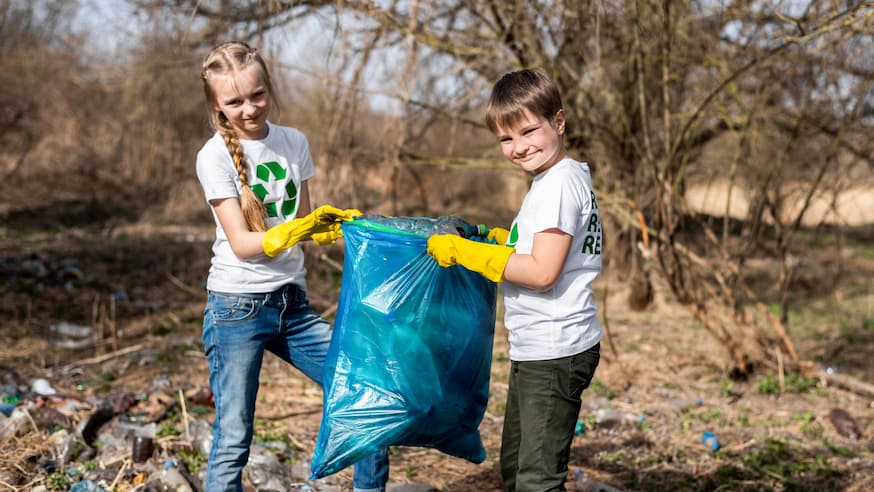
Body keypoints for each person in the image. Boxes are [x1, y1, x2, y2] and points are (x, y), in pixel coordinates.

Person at [195, 41, 389, 492]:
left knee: (366, 392)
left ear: (269, 89)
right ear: (217, 106)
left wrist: (331, 227)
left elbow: (304, 221)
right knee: (234, 436)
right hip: (236, 309)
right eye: (235, 102)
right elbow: (243, 244)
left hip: (292, 306)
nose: (249, 109)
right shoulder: (213, 156)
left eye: (257, 95)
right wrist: (289, 233)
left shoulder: (293, 141)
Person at [427, 69, 602, 491]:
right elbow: (547, 245)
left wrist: (470, 253)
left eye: (528, 131)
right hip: (538, 345)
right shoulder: (556, 178)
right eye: (507, 139)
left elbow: (542, 271)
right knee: (516, 465)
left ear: (558, 122)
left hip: (556, 347)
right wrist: (504, 242)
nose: (519, 147)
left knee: (537, 481)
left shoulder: (557, 185)